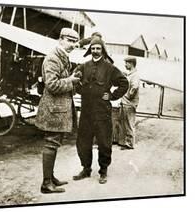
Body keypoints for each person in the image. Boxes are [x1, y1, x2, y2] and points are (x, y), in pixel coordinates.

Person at [73, 37, 129, 184]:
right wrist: (79, 89)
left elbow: (124, 83)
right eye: (93, 48)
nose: (95, 51)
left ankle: (103, 171)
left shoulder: (110, 68)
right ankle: (86, 169)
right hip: (86, 111)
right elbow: (74, 79)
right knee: (83, 142)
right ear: (89, 50)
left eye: (98, 48)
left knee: (104, 142)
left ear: (103, 50)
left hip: (102, 112)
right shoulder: (84, 66)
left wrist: (111, 95)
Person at [35, 28, 81, 194]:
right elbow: (52, 85)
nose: (73, 45)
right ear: (61, 39)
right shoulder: (53, 58)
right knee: (51, 143)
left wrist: (72, 78)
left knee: (54, 144)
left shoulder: (62, 57)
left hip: (58, 109)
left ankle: (50, 177)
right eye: (70, 40)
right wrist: (71, 80)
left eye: (75, 42)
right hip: (53, 109)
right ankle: (46, 183)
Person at [119, 57, 140, 150]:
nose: (125, 65)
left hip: (129, 103)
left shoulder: (134, 75)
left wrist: (128, 96)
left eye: (127, 63)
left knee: (129, 123)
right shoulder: (131, 74)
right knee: (125, 123)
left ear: (131, 63)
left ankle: (130, 143)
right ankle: (126, 142)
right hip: (126, 103)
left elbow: (134, 87)